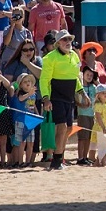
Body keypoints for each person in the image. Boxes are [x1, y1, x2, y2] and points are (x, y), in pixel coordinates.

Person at [39, 31, 81, 169]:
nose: (67, 41)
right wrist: (46, 98)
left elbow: (75, 77)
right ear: (58, 43)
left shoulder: (74, 55)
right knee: (61, 127)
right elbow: (44, 80)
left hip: (69, 97)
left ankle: (60, 157)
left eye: (69, 39)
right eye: (64, 40)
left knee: (68, 128)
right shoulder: (50, 58)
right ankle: (55, 160)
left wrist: (81, 92)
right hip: (56, 96)